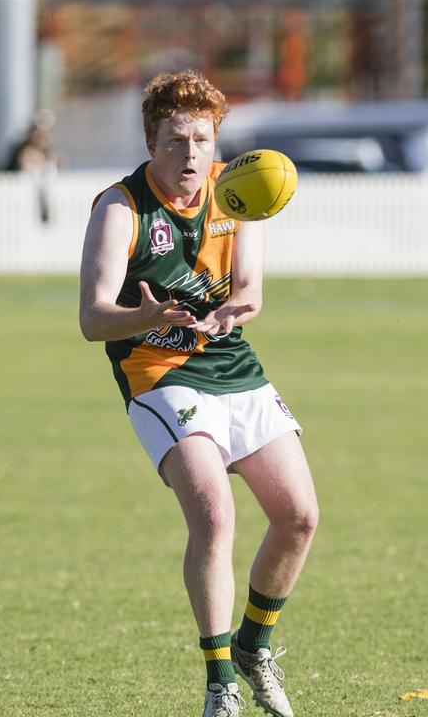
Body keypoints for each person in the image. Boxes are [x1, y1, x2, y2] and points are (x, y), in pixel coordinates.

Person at [79, 71, 319, 717]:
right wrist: (143, 318)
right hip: (157, 371)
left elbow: (250, 292)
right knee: (213, 513)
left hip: (230, 363)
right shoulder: (120, 208)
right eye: (176, 140)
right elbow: (92, 317)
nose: (191, 155)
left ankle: (254, 646)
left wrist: (227, 315)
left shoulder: (236, 194)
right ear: (150, 141)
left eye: (203, 140)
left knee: (299, 515)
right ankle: (221, 685)